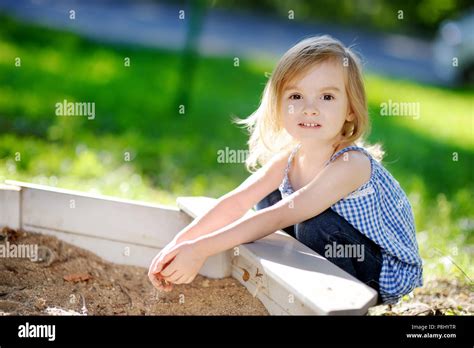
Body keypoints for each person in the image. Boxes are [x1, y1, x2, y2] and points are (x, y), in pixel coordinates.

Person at [148, 35, 423, 304]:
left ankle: (337, 306)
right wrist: (180, 244)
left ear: (351, 109)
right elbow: (236, 201)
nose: (310, 109)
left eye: (327, 97)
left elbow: (279, 217)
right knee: (265, 199)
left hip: (379, 270)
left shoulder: (352, 165)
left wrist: (201, 250)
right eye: (296, 95)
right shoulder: (290, 158)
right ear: (279, 106)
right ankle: (289, 287)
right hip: (332, 242)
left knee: (311, 223)